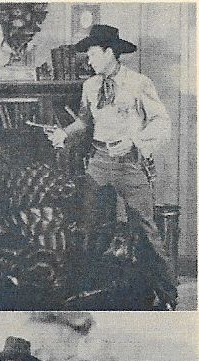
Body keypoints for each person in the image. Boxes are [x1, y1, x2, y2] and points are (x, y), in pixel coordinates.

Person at [46, 24, 177, 309]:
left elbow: (161, 121)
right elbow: (84, 122)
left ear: (109, 52)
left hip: (130, 164)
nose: (88, 61)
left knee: (146, 231)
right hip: (99, 162)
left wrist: (135, 141)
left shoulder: (139, 83)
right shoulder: (90, 86)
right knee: (89, 230)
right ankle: (89, 294)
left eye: (92, 54)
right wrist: (63, 134)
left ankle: (168, 297)